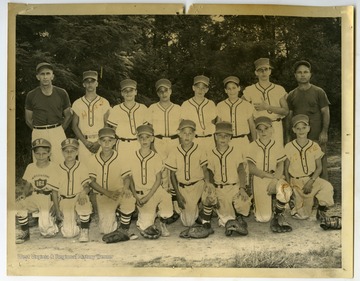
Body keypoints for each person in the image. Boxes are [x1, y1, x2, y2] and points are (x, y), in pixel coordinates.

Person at [165, 119, 214, 236]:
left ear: (194, 135)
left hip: (198, 184)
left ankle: (206, 218)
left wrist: (207, 183)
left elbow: (205, 170)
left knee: (210, 192)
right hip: (183, 187)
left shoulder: (200, 149)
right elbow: (172, 174)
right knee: (188, 223)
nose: (187, 136)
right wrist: (178, 195)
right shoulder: (174, 151)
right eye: (184, 133)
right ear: (179, 134)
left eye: (190, 133)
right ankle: (195, 212)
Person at [246, 116, 293, 233]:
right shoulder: (252, 146)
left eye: (266, 129)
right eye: (260, 129)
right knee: (264, 218)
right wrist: (270, 177)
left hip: (274, 177)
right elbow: (251, 168)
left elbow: (280, 165)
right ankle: (256, 203)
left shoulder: (277, 145)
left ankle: (278, 214)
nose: (263, 132)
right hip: (259, 179)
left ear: (272, 129)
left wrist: (275, 180)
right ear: (256, 131)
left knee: (285, 189)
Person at [284, 114, 334, 222]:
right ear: (293, 130)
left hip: (310, 180)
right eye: (298, 128)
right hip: (296, 182)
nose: (301, 130)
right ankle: (294, 204)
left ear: (309, 128)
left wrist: (310, 181)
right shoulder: (289, 146)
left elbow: (319, 168)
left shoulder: (314, 146)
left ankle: (321, 211)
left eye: (304, 127)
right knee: (303, 216)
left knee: (327, 187)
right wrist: (289, 186)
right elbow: (286, 168)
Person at [286, 60, 330, 180]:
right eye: (299, 72)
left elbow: (325, 112)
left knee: (320, 169)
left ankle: (322, 197)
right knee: (302, 168)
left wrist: (324, 132)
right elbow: (289, 117)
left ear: (310, 74)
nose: (303, 74)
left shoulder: (319, 92)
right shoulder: (291, 95)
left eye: (306, 72)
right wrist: (289, 136)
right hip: (300, 139)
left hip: (316, 137)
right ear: (295, 75)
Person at [87, 127, 136, 235]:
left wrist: (126, 188)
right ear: (99, 141)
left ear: (114, 142)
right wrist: (107, 193)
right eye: (103, 140)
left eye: (110, 140)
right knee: (106, 231)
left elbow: (127, 177)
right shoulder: (92, 159)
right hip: (103, 194)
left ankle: (124, 228)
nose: (107, 144)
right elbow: (91, 181)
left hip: (118, 191)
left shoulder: (121, 157)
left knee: (129, 199)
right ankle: (115, 215)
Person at [127, 124, 173, 238]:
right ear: (137, 139)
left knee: (167, 198)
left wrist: (148, 197)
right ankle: (143, 221)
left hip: (153, 191)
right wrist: (136, 196)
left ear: (152, 139)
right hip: (140, 193)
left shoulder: (156, 156)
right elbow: (130, 179)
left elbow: (158, 180)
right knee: (145, 227)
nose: (144, 140)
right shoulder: (132, 156)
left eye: (147, 137)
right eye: (141, 137)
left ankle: (162, 222)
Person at [207, 121, 252, 235]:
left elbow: (241, 170)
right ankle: (231, 218)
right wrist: (211, 187)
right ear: (215, 136)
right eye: (220, 135)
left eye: (226, 136)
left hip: (234, 187)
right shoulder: (211, 153)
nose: (223, 138)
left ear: (230, 137)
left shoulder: (236, 151)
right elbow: (210, 171)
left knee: (243, 203)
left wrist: (242, 188)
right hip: (220, 188)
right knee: (225, 222)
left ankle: (239, 216)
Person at [147, 78, 182, 222]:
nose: (163, 93)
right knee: (161, 173)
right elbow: (149, 129)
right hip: (159, 141)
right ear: (157, 93)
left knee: (175, 172)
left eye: (166, 90)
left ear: (170, 91)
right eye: (160, 91)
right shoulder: (152, 108)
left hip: (174, 140)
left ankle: (176, 206)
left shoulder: (178, 108)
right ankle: (163, 206)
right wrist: (152, 146)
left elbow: (182, 129)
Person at [15, 138, 62, 244]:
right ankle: (25, 232)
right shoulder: (31, 166)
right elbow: (28, 184)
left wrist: (56, 205)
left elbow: (55, 189)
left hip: (48, 197)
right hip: (36, 195)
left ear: (49, 153)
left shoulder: (54, 167)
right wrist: (23, 194)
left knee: (47, 232)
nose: (41, 156)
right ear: (34, 153)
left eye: (44, 153)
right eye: (38, 153)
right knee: (19, 204)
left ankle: (55, 221)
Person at [25, 62, 72, 164]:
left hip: (57, 130)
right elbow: (28, 119)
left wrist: (59, 129)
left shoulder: (61, 93)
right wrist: (38, 130)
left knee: (61, 162)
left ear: (52, 76)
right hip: (39, 131)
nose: (45, 77)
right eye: (42, 74)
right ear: (38, 77)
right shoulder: (31, 95)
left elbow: (68, 115)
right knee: (40, 163)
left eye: (48, 73)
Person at [243, 58, 289, 146]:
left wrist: (268, 107)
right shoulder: (250, 90)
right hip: (259, 127)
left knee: (276, 155)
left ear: (270, 71)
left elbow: (285, 111)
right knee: (260, 156)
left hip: (275, 125)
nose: (263, 72)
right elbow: (240, 106)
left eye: (266, 69)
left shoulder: (279, 89)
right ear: (256, 73)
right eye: (260, 70)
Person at [58, 138, 92, 242]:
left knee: (84, 201)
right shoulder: (57, 167)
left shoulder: (82, 166)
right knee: (69, 234)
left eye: (72, 151)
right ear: (62, 152)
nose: (69, 153)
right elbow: (54, 191)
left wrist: (83, 193)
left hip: (78, 197)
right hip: (64, 200)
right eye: (66, 151)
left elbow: (87, 185)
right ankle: (71, 220)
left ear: (77, 152)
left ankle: (84, 229)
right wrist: (55, 208)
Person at [71, 70, 111, 161]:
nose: (90, 84)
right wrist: (85, 142)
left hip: (101, 141)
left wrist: (99, 142)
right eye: (87, 81)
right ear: (83, 84)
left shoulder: (104, 102)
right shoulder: (77, 103)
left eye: (92, 81)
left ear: (97, 83)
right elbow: (74, 126)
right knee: (84, 172)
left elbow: (107, 125)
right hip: (84, 141)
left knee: (101, 171)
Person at [107, 78, 148, 157]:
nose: (128, 93)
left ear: (136, 92)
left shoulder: (143, 108)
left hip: (139, 144)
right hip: (122, 145)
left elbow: (146, 130)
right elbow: (112, 131)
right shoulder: (116, 109)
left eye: (131, 90)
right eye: (125, 91)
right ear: (122, 93)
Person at [217, 76, 256, 149]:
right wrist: (218, 145)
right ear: (225, 90)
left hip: (243, 141)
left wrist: (255, 144)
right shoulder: (220, 105)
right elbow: (218, 127)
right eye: (229, 89)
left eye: (234, 88)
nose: (232, 91)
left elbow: (252, 126)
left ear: (239, 88)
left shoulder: (247, 105)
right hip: (226, 142)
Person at [180, 75, 217, 151]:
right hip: (194, 140)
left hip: (209, 140)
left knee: (211, 162)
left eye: (203, 88)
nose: (200, 90)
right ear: (193, 88)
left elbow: (213, 121)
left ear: (207, 90)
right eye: (198, 87)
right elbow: (182, 125)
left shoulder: (211, 104)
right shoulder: (186, 104)